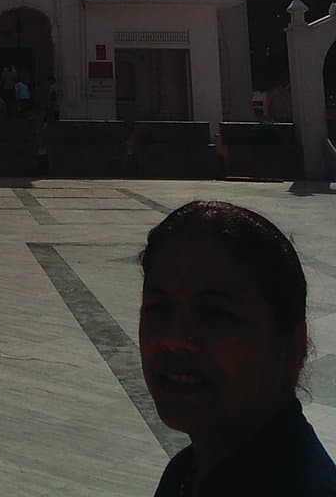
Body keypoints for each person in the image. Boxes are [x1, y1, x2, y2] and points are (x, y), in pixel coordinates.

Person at [139, 200, 336, 496]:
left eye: (215, 314)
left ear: (292, 346)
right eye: (158, 308)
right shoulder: (187, 472)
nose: (174, 338)